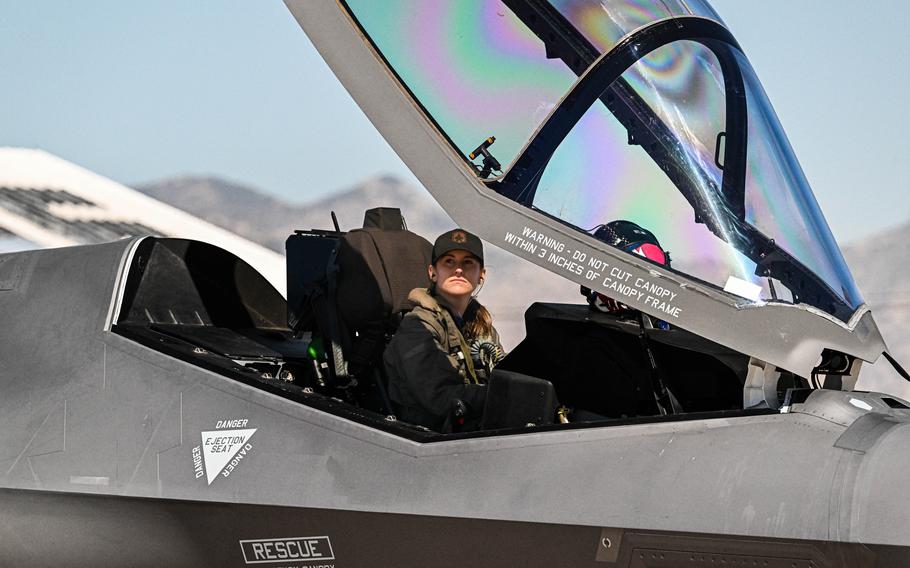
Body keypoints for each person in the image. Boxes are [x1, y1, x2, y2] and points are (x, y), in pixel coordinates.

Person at [384, 228, 504, 432]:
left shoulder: (482, 328)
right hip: (427, 441)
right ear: (432, 272)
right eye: (449, 261)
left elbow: (502, 372)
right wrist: (502, 395)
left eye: (468, 262)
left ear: (481, 274)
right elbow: (439, 397)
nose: (458, 270)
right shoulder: (418, 326)